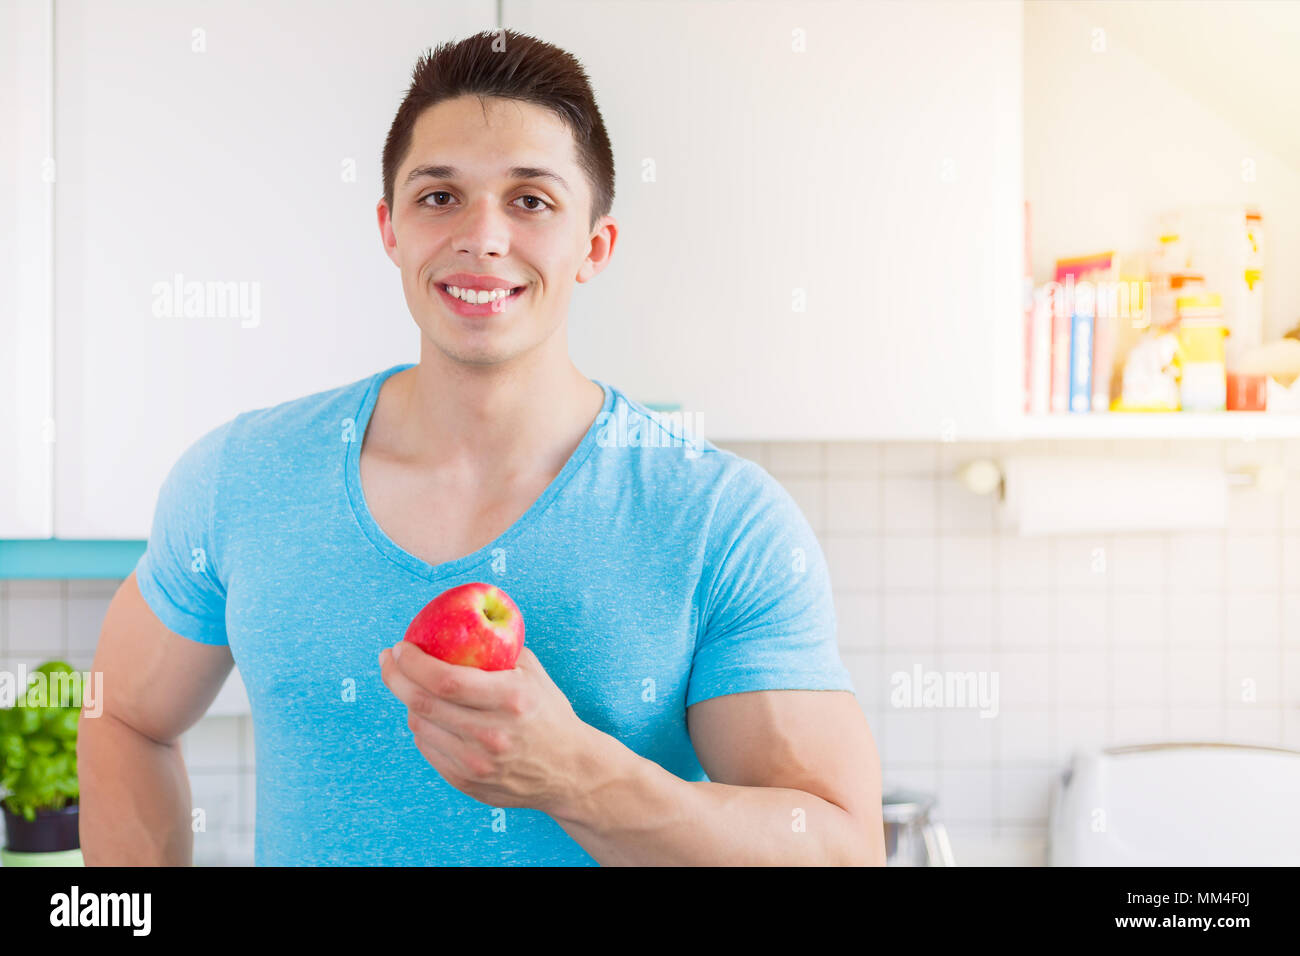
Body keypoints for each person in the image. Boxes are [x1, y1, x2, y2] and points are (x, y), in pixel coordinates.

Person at [78, 28, 885, 866]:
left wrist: (577, 776)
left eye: (531, 200)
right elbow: (123, 713)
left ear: (594, 247)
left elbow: (838, 849)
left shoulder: (721, 521)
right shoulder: (241, 478)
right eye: (440, 197)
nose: (483, 237)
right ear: (390, 230)